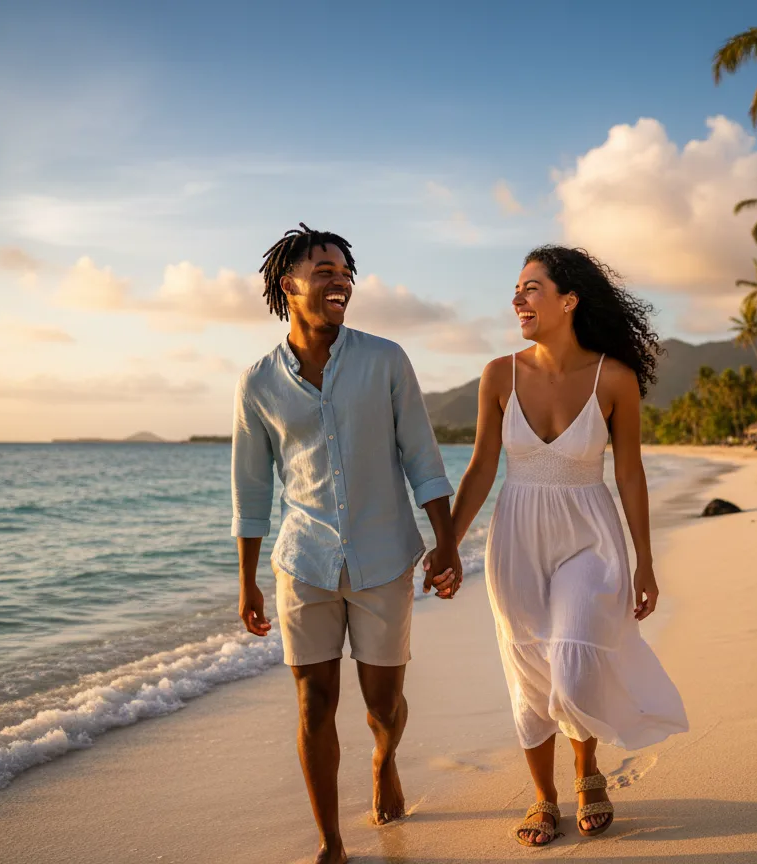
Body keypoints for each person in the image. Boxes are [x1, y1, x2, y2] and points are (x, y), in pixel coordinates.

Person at [232, 223, 462, 864]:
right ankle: (331, 842)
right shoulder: (257, 384)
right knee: (314, 703)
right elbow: (250, 492)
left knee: (383, 705)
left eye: (345, 272)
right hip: (303, 561)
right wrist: (246, 580)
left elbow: (422, 456)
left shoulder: (386, 359)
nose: (340, 282)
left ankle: (385, 759)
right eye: (324, 271)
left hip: (385, 557)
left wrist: (445, 544)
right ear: (290, 285)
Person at [446, 245, 687, 847]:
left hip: (590, 534)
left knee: (575, 664)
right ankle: (543, 797)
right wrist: (447, 542)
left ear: (568, 300)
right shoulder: (499, 374)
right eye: (517, 289)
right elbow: (480, 467)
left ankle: (588, 770)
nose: (517, 299)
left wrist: (646, 563)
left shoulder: (616, 379)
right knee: (528, 665)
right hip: (516, 534)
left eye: (531, 288)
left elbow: (630, 474)